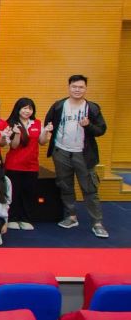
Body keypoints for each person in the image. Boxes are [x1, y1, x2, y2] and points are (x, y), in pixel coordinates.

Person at [44, 74, 108, 237]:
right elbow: (48, 123)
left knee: (89, 189)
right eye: (74, 86)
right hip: (61, 152)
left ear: (86, 89)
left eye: (81, 87)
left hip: (84, 154)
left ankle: (97, 222)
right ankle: (71, 216)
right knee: (65, 186)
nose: (77, 90)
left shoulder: (92, 108)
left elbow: (101, 130)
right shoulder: (59, 106)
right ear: (69, 87)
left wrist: (88, 126)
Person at [6, 98, 46, 231]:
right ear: (18, 109)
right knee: (14, 193)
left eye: (30, 108)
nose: (27, 111)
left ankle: (26, 219)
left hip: (32, 165)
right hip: (14, 165)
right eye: (24, 108)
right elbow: (13, 145)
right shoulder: (11, 124)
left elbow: (42, 142)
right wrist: (17, 134)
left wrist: (46, 131)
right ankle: (12, 218)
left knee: (29, 193)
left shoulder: (37, 123)